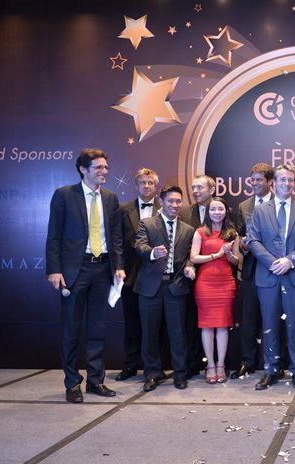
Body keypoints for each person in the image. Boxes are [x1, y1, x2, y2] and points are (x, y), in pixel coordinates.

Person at [45, 148, 125, 403]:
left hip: (102, 269)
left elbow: (116, 237)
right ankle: (72, 383)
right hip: (74, 270)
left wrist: (118, 266)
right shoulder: (64, 195)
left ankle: (95, 381)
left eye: (106, 167)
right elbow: (54, 235)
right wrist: (54, 269)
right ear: (83, 169)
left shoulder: (110, 198)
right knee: (71, 328)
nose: (104, 171)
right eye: (98, 167)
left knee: (97, 328)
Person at [248, 165, 295, 390]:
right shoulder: (260, 210)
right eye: (283, 180)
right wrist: (272, 262)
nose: (287, 183)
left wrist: (290, 260)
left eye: (291, 180)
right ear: (273, 183)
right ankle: (271, 370)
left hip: (294, 275)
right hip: (268, 276)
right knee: (269, 325)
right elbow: (253, 240)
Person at [134, 185, 197, 392]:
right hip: (150, 288)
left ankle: (180, 374)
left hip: (175, 288)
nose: (175, 205)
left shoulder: (188, 230)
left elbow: (189, 256)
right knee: (149, 333)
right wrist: (153, 253)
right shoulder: (147, 224)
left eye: (178, 201)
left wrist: (189, 267)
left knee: (178, 334)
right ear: (161, 202)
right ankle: (152, 374)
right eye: (171, 201)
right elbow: (139, 247)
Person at [116, 168, 161, 381]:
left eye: (150, 183)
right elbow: (117, 242)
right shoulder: (124, 209)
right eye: (143, 182)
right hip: (131, 275)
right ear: (136, 185)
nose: (146, 186)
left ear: (156, 186)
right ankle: (130, 366)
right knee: (132, 323)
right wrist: (119, 267)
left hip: (157, 275)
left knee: (156, 325)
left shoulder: (166, 208)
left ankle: (157, 367)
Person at [190, 197, 241, 383]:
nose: (217, 212)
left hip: (226, 283)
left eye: (220, 209)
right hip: (205, 283)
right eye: (213, 209)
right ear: (208, 212)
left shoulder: (232, 234)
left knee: (222, 325)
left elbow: (236, 261)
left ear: (226, 211)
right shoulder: (200, 232)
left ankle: (221, 365)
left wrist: (228, 255)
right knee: (207, 325)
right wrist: (216, 255)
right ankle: (210, 365)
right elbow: (194, 258)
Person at [231, 164, 274, 378]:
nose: (255, 183)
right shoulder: (243, 206)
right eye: (253, 179)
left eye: (259, 180)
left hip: (273, 269)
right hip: (250, 269)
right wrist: (244, 245)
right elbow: (239, 235)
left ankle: (273, 362)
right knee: (248, 319)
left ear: (270, 182)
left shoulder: (279, 203)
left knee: (272, 318)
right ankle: (247, 361)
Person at [179, 175, 216, 379]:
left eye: (200, 187)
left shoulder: (222, 210)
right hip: (190, 274)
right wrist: (188, 265)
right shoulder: (184, 212)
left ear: (212, 190)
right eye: (193, 187)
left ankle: (216, 363)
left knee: (216, 321)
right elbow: (180, 244)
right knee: (191, 320)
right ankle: (192, 363)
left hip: (215, 276)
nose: (195, 191)